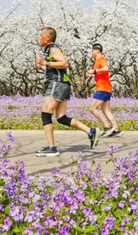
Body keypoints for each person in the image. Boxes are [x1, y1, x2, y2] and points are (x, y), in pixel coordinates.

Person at [35, 27, 101, 157]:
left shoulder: (53, 48)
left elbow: (64, 64)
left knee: (45, 115)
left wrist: (46, 63)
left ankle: (52, 148)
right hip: (62, 84)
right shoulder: (49, 50)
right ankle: (91, 131)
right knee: (61, 118)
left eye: (40, 36)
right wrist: (43, 66)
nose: (39, 38)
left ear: (47, 37)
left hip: (57, 84)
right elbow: (57, 66)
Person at [86, 43, 122, 137]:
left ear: (97, 50)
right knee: (106, 110)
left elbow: (106, 69)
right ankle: (116, 129)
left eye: (92, 50)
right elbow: (102, 73)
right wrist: (93, 74)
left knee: (92, 108)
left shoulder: (100, 59)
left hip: (102, 89)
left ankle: (107, 127)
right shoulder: (98, 60)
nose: (91, 52)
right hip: (106, 88)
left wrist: (94, 71)